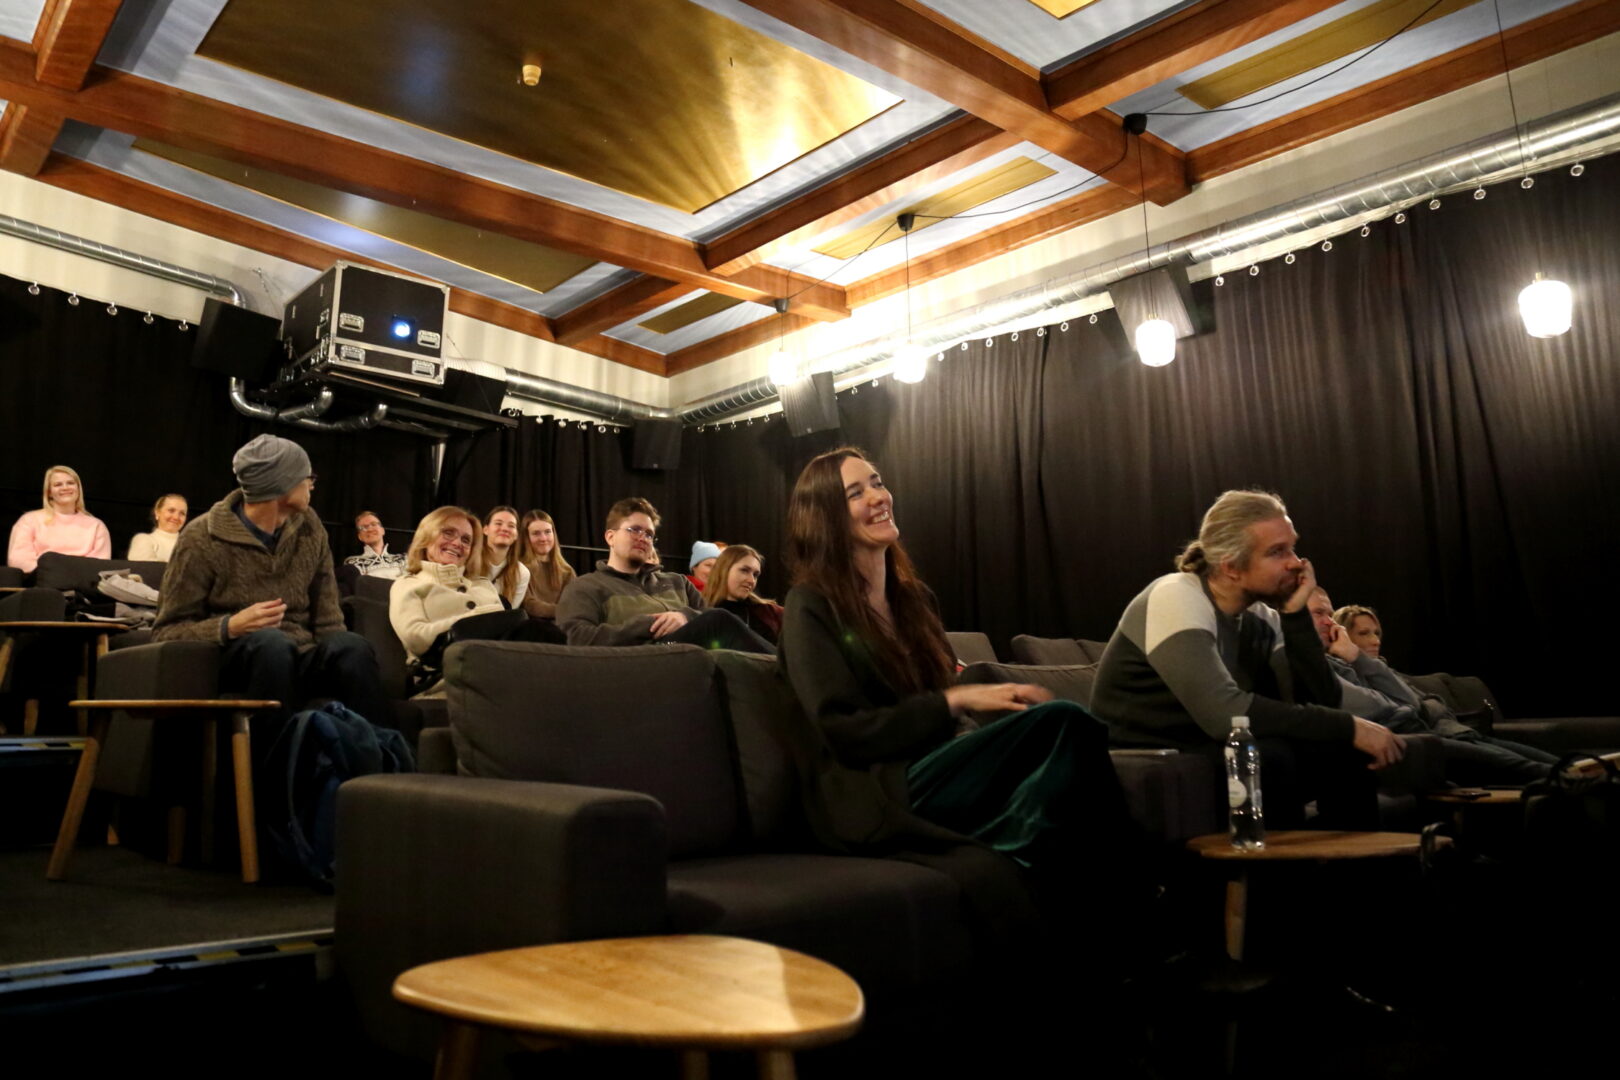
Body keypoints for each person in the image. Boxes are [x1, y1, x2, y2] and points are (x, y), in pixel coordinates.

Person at [778, 447, 1146, 935]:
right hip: (874, 788)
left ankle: (1118, 920)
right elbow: (844, 731)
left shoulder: (915, 601)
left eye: (877, 482)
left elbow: (941, 707)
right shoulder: (810, 605)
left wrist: (971, 728)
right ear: (825, 517)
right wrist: (953, 701)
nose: (878, 496)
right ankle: (1138, 908)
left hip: (934, 763)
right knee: (1064, 723)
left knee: (1060, 760)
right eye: (855, 492)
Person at [1089, 490, 1405, 830]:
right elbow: (1223, 714)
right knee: (1271, 756)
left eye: (1293, 548)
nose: (1296, 563)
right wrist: (1348, 726)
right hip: (1147, 751)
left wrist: (1296, 615)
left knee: (1344, 752)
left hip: (1208, 742)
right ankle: (1276, 864)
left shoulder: (1261, 617)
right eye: (1277, 552)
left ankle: (1352, 862)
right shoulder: (1176, 596)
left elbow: (1318, 700)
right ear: (1231, 567)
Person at [151, 435, 392, 729]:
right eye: (307, 477)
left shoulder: (311, 526)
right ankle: (275, 755)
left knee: (352, 647)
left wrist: (337, 657)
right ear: (282, 484)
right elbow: (166, 631)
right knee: (272, 644)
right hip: (238, 657)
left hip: (301, 655)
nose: (312, 485)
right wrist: (229, 626)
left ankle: (381, 752)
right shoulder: (201, 537)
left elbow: (328, 620)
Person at [1308, 593, 1555, 784]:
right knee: (1529, 768)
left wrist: (1358, 658)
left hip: (1426, 732)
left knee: (1542, 762)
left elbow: (1411, 701)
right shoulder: (1316, 668)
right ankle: (1574, 777)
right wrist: (1361, 662)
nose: (1329, 622)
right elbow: (1383, 706)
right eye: (1319, 613)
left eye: (1330, 614)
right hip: (1407, 741)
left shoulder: (1355, 665)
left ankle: (1575, 771)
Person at [555, 498, 774, 653]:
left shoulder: (677, 581)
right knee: (720, 621)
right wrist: (648, 624)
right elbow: (577, 638)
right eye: (634, 530)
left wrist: (684, 616)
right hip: (638, 660)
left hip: (690, 658)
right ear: (610, 537)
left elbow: (707, 612)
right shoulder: (585, 587)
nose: (643, 538)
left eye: (649, 534)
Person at [389, 507, 515, 695]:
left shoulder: (483, 586)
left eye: (466, 540)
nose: (457, 543)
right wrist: (476, 619)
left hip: (501, 669)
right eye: (448, 533)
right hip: (448, 679)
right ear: (426, 537)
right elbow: (416, 637)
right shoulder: (408, 584)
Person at [8, 465, 112, 573]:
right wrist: (54, 573)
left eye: (70, 483)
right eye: (58, 484)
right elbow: (18, 559)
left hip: (82, 581)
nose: (65, 488)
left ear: (78, 488)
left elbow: (100, 565)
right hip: (42, 580)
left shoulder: (97, 526)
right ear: (49, 492)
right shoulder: (29, 520)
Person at [703, 544, 783, 645]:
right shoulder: (700, 612)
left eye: (755, 575)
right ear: (724, 570)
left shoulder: (770, 613)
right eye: (744, 570)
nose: (751, 580)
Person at [517, 509, 575, 620]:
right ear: (526, 537)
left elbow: (573, 602)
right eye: (536, 533)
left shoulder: (567, 571)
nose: (543, 538)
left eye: (547, 532)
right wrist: (564, 611)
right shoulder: (519, 568)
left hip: (563, 624)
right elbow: (528, 605)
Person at [481, 506, 530, 609]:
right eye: (498, 523)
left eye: (511, 526)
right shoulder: (469, 561)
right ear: (485, 529)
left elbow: (510, 612)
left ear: (516, 535)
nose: (504, 529)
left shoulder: (522, 573)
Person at [343, 510, 406, 580]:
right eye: (364, 527)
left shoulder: (402, 559)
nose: (370, 529)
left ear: (383, 530)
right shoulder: (353, 562)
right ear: (360, 537)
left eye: (373, 524)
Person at [127, 494, 188, 562]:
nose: (176, 517)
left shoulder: (192, 546)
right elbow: (143, 567)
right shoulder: (143, 539)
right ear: (157, 513)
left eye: (182, 513)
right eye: (171, 511)